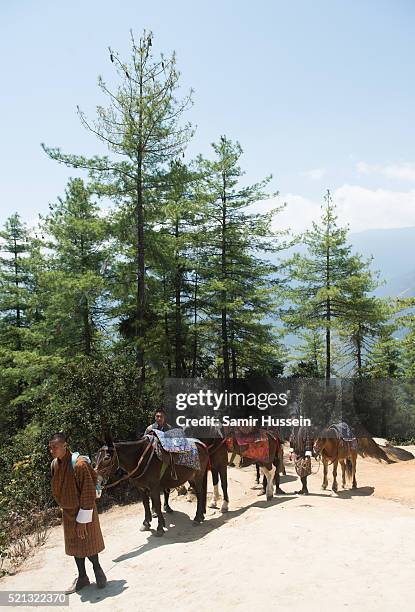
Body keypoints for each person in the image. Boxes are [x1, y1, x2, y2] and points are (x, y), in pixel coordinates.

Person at [49, 432, 107, 594]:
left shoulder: (79, 465)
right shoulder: (55, 464)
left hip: (84, 510)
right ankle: (82, 577)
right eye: (50, 447)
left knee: (89, 542)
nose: (52, 450)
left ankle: (98, 571)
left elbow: (88, 492)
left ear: (65, 446)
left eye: (55, 447)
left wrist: (82, 519)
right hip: (68, 512)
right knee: (75, 545)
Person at [144, 409, 174, 513]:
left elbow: (172, 443)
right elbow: (145, 442)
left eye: (161, 416)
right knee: (152, 485)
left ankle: (166, 504)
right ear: (155, 417)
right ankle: (154, 508)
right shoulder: (150, 429)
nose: (159, 418)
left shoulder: (169, 428)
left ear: (164, 418)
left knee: (167, 482)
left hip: (165, 458)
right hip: (153, 460)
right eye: (157, 416)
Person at [289, 425, 314, 495]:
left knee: (303, 471)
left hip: (303, 453)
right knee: (300, 472)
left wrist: (307, 456)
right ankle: (303, 488)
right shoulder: (294, 429)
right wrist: (290, 452)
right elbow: (291, 440)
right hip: (297, 454)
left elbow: (308, 442)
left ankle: (305, 489)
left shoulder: (305, 429)